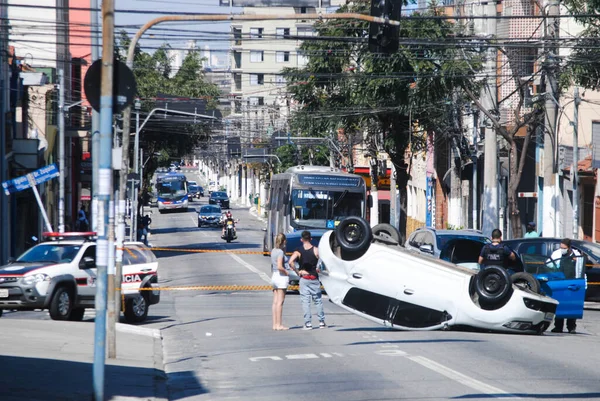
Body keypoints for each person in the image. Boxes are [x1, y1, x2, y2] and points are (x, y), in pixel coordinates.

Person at [288, 230, 326, 330]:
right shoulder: (316, 250)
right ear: (311, 239)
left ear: (301, 239)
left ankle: (308, 323)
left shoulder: (298, 251)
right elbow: (322, 262)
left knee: (306, 301)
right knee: (317, 300)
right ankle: (321, 322)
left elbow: (290, 262)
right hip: (314, 277)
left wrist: (298, 271)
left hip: (304, 278)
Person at [548, 238, 582, 334]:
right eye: (561, 247)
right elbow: (550, 264)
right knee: (560, 306)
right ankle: (558, 326)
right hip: (560, 283)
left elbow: (580, 270)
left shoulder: (576, 256)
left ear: (569, 247)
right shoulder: (557, 254)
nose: (562, 249)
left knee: (571, 306)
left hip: (572, 284)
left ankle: (571, 327)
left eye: (564, 247)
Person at [271, 233, 297, 331]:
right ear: (284, 241)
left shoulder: (274, 250)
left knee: (275, 301)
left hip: (274, 275)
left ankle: (274, 324)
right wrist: (286, 272)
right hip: (280, 276)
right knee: (280, 302)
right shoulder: (280, 253)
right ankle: (279, 324)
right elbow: (279, 266)